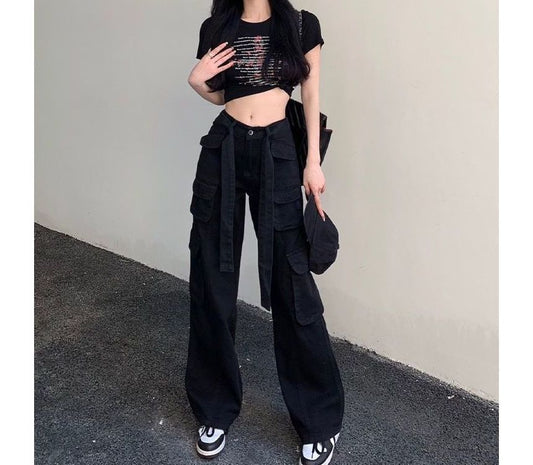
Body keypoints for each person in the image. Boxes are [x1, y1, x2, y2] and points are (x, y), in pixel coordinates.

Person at [185, 1, 344, 464]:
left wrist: (312, 162)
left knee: (292, 284)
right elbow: (223, 95)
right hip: (224, 149)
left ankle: (318, 420)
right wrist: (197, 83)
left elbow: (311, 93)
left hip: (278, 150)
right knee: (211, 282)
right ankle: (213, 409)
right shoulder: (216, 26)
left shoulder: (301, 24)